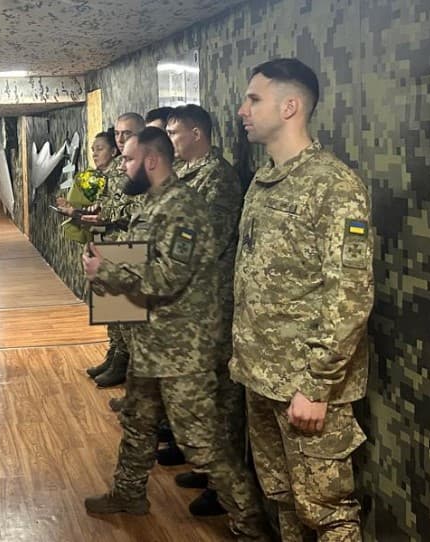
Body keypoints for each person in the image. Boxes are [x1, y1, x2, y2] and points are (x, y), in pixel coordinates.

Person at [82, 127, 266, 540]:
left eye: (128, 159)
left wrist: (106, 272)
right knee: (138, 421)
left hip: (182, 349)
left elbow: (167, 278)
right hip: (152, 341)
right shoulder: (151, 203)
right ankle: (128, 493)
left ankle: (252, 524)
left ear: (151, 161)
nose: (122, 167)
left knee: (200, 441)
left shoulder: (182, 208)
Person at [233, 58, 373, 541]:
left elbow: (350, 295)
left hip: (308, 388)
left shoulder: (334, 186)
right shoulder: (264, 181)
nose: (242, 110)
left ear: (290, 106)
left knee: (328, 512)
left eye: (254, 99)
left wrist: (317, 386)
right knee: (284, 502)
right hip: (262, 376)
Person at [166, 104, 244, 516]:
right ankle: (207, 466)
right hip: (189, 301)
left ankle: (223, 485)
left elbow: (205, 240)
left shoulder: (218, 177)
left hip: (212, 302)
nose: (171, 139)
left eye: (176, 132)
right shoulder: (184, 175)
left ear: (197, 133)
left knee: (220, 396)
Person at [82, 113, 146, 389]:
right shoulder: (119, 166)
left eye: (127, 134)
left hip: (129, 246)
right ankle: (116, 354)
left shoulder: (143, 166)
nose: (120, 139)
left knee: (128, 315)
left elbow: (139, 207)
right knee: (114, 310)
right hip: (112, 242)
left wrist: (106, 212)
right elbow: (109, 201)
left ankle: (126, 365)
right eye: (118, 134)